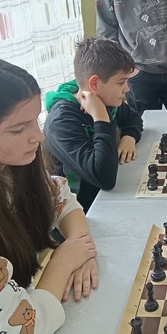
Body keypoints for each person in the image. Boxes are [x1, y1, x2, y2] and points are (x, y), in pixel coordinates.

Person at [0, 56, 97, 334]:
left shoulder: (6, 166)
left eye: (36, 120)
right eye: (18, 129)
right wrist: (64, 261)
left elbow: (60, 197)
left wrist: (81, 247)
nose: (39, 136)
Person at [44, 37, 143, 213]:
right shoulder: (61, 122)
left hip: (111, 196)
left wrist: (129, 137)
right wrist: (100, 117)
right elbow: (104, 178)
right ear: (95, 83)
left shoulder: (105, 99)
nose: (127, 89)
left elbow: (133, 118)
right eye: (121, 82)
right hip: (81, 210)